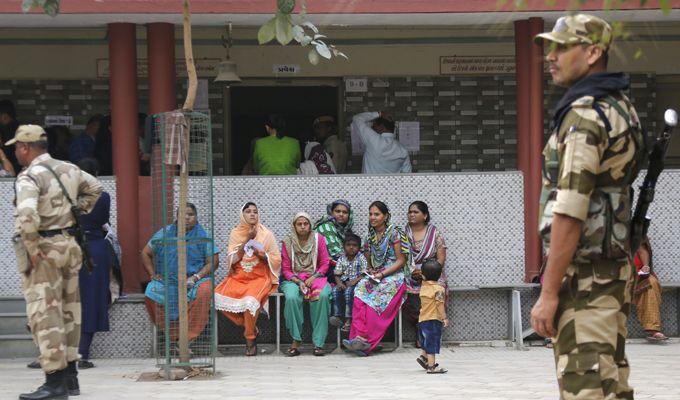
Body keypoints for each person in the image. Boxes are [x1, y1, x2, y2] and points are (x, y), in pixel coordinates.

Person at [531, 14, 647, 400]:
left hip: (586, 282)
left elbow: (570, 209)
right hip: (608, 276)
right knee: (609, 384)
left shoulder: (585, 115)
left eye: (563, 47)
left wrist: (548, 293)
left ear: (594, 52)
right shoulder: (619, 107)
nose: (551, 56)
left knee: (588, 388)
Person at [10, 124, 103, 400]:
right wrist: (76, 213)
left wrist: (32, 246)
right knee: (70, 311)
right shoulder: (68, 169)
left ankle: (54, 383)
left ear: (25, 147)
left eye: (16, 147)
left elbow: (27, 215)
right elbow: (95, 188)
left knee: (44, 313)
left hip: (44, 249)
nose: (15, 151)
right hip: (69, 245)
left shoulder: (29, 176)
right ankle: (71, 378)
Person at [142, 203, 219, 352]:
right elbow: (145, 253)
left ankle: (187, 338)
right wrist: (152, 274)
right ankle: (176, 337)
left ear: (196, 218)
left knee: (205, 291)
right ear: (176, 217)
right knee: (151, 292)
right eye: (183, 214)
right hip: (168, 281)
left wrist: (196, 277)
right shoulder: (164, 233)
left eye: (190, 214)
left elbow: (213, 262)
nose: (186, 217)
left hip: (195, 280)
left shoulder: (204, 236)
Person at [214, 202, 281, 356]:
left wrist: (262, 255)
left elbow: (277, 259)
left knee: (250, 302)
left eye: (255, 212)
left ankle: (250, 340)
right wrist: (247, 240)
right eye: (248, 211)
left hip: (259, 277)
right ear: (242, 215)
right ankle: (249, 327)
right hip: (239, 276)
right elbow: (232, 260)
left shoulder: (266, 234)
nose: (252, 214)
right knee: (216, 296)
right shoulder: (235, 233)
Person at [343, 201, 409, 356]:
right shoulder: (369, 236)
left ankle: (368, 344)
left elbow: (401, 261)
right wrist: (372, 272)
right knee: (360, 290)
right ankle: (358, 338)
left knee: (374, 302)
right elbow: (370, 261)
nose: (373, 217)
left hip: (394, 276)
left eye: (377, 214)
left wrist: (382, 274)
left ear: (385, 216)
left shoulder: (395, 233)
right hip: (377, 275)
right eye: (371, 214)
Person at [75, 158, 112, 369]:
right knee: (91, 300)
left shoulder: (67, 196)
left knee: (67, 300)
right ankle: (83, 353)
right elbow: (103, 220)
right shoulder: (103, 196)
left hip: (70, 247)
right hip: (95, 248)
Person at [280, 212, 332, 356]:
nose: (303, 227)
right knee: (291, 297)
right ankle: (296, 340)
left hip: (315, 277)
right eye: (299, 224)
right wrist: (298, 281)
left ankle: (318, 343)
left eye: (306, 224)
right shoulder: (287, 242)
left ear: (310, 225)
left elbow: (325, 263)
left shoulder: (318, 239)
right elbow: (285, 269)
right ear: (294, 226)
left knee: (323, 296)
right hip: (293, 279)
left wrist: (313, 277)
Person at [403, 201, 448, 348]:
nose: (411, 214)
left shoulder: (434, 232)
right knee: (406, 292)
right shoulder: (403, 233)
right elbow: (399, 256)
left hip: (432, 272)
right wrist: (412, 270)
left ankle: (431, 333)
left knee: (435, 289)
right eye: (410, 212)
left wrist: (426, 272)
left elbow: (440, 259)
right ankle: (419, 329)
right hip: (409, 271)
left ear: (425, 215)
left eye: (415, 212)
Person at [633, 237, 668, 342]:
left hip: (638, 276)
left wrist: (646, 267)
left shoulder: (635, 230)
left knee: (651, 283)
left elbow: (642, 249)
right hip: (612, 275)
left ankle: (653, 329)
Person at [329, 233, 367, 332]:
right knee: (335, 291)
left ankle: (348, 319)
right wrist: (339, 283)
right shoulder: (342, 258)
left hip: (357, 283)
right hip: (344, 282)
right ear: (344, 246)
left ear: (359, 247)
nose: (351, 247)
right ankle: (337, 316)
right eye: (348, 245)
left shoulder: (361, 257)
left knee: (348, 293)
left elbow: (364, 273)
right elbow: (337, 274)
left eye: (354, 245)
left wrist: (354, 281)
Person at [416, 260, 448, 374]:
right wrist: (444, 317)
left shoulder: (423, 287)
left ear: (423, 275)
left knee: (425, 340)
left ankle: (423, 357)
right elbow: (439, 304)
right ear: (439, 275)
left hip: (422, 319)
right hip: (433, 320)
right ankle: (431, 367)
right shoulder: (439, 289)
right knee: (432, 343)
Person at [314, 199, 354, 283]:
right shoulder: (326, 227)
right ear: (331, 213)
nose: (341, 214)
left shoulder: (344, 231)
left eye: (345, 212)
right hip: (321, 269)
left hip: (337, 265)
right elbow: (336, 254)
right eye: (337, 211)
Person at [0, 99, 21, 172]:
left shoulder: (7, 130)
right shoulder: (19, 128)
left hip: (11, 168)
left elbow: (7, 151)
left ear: (4, 116)